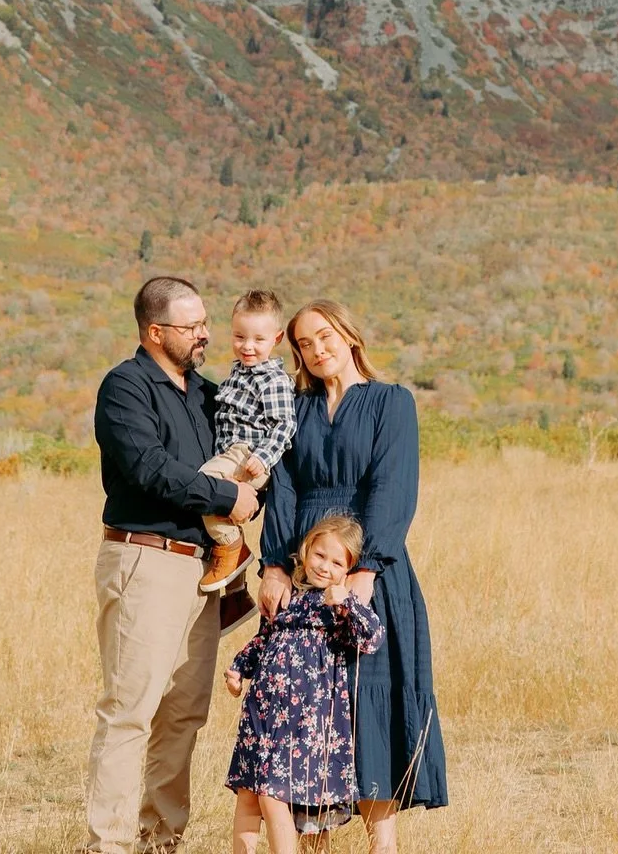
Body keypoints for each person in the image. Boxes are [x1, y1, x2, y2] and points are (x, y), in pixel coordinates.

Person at [259, 300, 448, 852]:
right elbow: (285, 489)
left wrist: (364, 572)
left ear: (348, 334)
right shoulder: (296, 408)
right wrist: (275, 567)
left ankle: (381, 843)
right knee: (307, 708)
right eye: (304, 344)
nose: (317, 351)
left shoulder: (392, 402)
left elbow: (392, 488)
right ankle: (313, 842)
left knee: (368, 699)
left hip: (372, 571)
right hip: (304, 569)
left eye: (325, 337)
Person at [86, 276, 261, 854]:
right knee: (129, 711)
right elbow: (148, 468)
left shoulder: (206, 395)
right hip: (145, 558)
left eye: (205, 323)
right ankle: (109, 844)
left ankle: (161, 838)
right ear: (155, 331)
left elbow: (245, 450)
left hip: (205, 572)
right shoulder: (125, 388)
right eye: (192, 327)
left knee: (184, 714)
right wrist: (224, 499)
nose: (206, 334)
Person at [224, 513, 384, 854]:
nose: (325, 566)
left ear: (348, 569)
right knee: (248, 794)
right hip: (263, 712)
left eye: (337, 562)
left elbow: (372, 637)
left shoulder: (336, 607)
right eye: (320, 555)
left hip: (304, 721)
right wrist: (239, 668)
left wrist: (348, 602)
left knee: (273, 795)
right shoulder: (286, 596)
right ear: (306, 551)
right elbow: (262, 640)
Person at [198, 287, 296, 593]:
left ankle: (232, 547)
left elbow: (284, 424)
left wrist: (263, 457)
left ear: (276, 339)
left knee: (203, 485)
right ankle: (234, 588)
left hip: (250, 455)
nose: (247, 346)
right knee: (212, 500)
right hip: (232, 453)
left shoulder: (273, 380)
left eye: (258, 339)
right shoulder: (236, 375)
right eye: (240, 337)